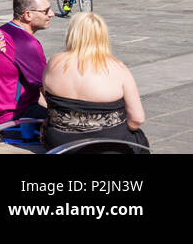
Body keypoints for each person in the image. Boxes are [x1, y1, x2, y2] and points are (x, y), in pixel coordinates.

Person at [41, 12, 149, 152]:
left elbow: (46, 96)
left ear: (72, 34)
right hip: (107, 144)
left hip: (61, 143)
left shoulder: (54, 62)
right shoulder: (117, 68)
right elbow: (137, 119)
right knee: (139, 140)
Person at [0, 0, 52, 138]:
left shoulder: (3, 30)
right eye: (46, 11)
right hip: (11, 118)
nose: (52, 14)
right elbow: (47, 88)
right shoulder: (25, 43)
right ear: (28, 15)